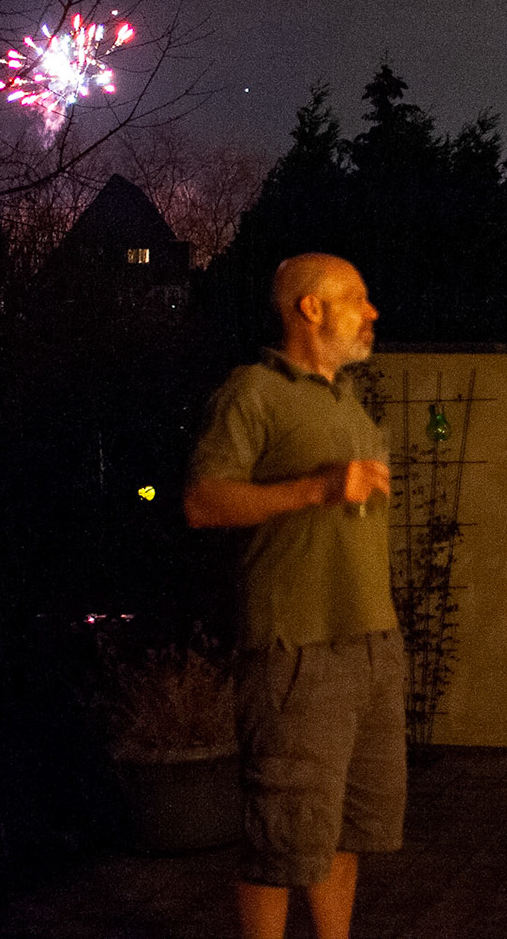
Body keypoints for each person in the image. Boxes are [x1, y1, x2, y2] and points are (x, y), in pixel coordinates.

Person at [184, 253, 401, 939]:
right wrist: (314, 487)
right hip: (296, 651)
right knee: (280, 838)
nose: (371, 313)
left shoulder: (347, 401)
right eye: (357, 298)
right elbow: (202, 499)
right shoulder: (253, 390)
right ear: (310, 308)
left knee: (343, 830)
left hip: (371, 645)